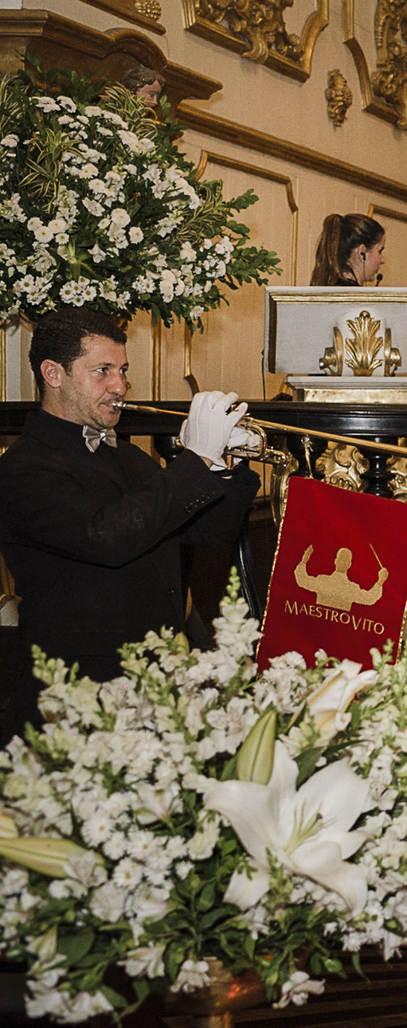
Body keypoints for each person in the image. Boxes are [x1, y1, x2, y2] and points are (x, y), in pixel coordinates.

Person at [0, 309, 258, 740]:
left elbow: (208, 533)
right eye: (102, 371)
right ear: (53, 373)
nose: (119, 386)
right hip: (76, 697)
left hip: (153, 691)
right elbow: (108, 539)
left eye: (122, 371)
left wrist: (227, 466)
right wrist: (195, 461)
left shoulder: (126, 457)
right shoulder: (23, 467)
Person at [310, 213, 386, 286]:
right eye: (379, 251)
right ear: (361, 253)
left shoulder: (329, 288)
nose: (382, 260)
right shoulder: (355, 296)